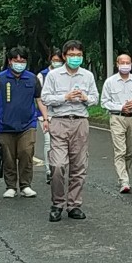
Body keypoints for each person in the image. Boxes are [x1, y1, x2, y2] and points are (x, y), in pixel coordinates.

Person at [40, 40, 99, 222]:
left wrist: (85, 97)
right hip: (59, 121)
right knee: (57, 165)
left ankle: (74, 204)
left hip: (80, 122)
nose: (76, 58)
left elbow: (95, 98)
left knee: (79, 165)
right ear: (64, 56)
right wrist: (65, 97)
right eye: (72, 55)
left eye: (79, 55)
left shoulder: (87, 76)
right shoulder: (54, 75)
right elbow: (45, 98)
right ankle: (57, 203)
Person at [0, 48, 47, 199]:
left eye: (23, 61)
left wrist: (46, 118)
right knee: (8, 156)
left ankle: (25, 185)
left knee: (26, 152)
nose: (20, 64)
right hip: (5, 125)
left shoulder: (32, 79)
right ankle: (11, 186)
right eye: (17, 61)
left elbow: (39, 100)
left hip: (28, 124)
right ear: (10, 61)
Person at [100, 54, 132, 194]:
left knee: (130, 152)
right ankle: (124, 180)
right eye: (122, 62)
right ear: (117, 64)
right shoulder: (110, 82)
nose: (125, 65)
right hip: (117, 118)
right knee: (120, 151)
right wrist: (120, 107)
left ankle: (126, 175)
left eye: (127, 62)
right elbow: (104, 102)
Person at [39, 50, 64, 183]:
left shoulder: (66, 74)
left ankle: (59, 168)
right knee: (49, 141)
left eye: (59, 61)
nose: (57, 63)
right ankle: (49, 170)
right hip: (45, 114)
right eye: (55, 60)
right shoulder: (42, 75)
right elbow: (39, 98)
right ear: (50, 60)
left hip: (61, 114)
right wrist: (45, 117)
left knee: (60, 143)